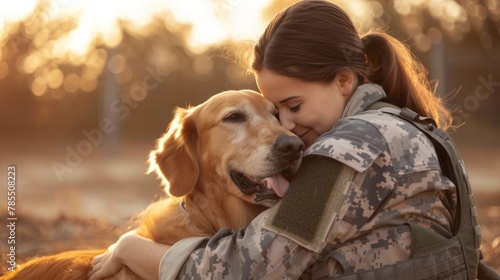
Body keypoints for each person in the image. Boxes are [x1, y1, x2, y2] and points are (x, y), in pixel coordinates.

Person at [88, 1, 480, 279]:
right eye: (278, 112)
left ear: (343, 81)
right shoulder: (413, 126)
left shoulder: (348, 151)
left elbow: (241, 273)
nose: (286, 129)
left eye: (293, 105)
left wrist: (129, 247)